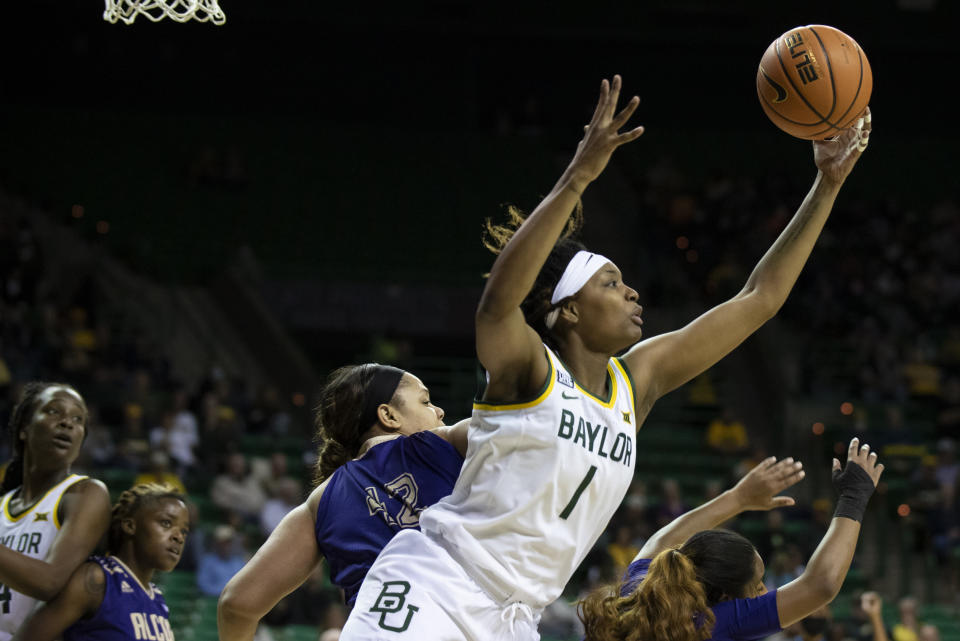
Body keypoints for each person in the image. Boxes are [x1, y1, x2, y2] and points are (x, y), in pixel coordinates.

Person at [341, 74, 871, 639]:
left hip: (517, 619)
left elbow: (758, 299)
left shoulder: (636, 382)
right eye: (611, 284)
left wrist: (828, 183)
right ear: (568, 310)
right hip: (438, 584)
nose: (632, 292)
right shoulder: (529, 371)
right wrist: (578, 177)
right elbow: (498, 304)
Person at [217, 363, 469, 640]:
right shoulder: (443, 443)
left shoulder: (319, 502)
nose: (439, 411)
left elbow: (236, 605)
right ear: (388, 415)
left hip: (378, 630)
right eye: (425, 401)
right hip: (465, 617)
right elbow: (514, 425)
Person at [579, 437, 883, 641]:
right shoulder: (715, 623)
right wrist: (855, 496)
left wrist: (738, 498)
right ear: (725, 597)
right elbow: (821, 584)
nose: (765, 590)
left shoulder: (642, 588)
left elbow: (662, 542)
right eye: (757, 584)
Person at [0, 381, 111, 641]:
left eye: (78, 419)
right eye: (54, 411)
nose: (67, 423)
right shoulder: (3, 505)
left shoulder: (85, 494)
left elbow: (50, 582)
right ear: (24, 429)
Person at [11, 483, 190, 641]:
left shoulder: (157, 599)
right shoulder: (97, 579)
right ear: (130, 526)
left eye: (184, 531)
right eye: (166, 523)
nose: (178, 537)